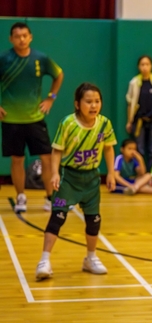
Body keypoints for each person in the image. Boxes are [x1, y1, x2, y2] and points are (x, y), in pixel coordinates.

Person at [35, 83, 115, 280]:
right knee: (58, 216)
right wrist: (55, 173)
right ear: (77, 104)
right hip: (68, 178)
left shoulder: (104, 124)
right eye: (88, 101)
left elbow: (108, 148)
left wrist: (111, 173)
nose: (93, 105)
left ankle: (90, 258)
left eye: (97, 101)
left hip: (91, 179)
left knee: (93, 220)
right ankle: (44, 261)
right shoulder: (68, 124)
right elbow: (57, 150)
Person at [0, 22, 64, 213]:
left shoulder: (41, 58)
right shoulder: (4, 59)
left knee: (47, 158)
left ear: (30, 37)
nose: (21, 39)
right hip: (11, 119)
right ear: (11, 39)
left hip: (35, 118)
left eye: (24, 35)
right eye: (17, 36)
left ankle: (50, 197)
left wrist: (51, 98)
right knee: (17, 159)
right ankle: (21, 197)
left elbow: (59, 75)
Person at [125, 55, 152, 170]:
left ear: (151, 66)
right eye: (142, 64)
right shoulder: (134, 83)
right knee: (140, 150)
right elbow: (130, 103)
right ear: (139, 67)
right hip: (139, 120)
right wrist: (129, 121)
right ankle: (141, 173)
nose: (145, 67)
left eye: (147, 64)